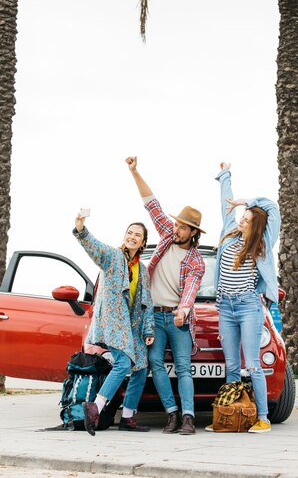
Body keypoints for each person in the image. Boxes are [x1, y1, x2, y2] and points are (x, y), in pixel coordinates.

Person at [126, 156, 206, 435]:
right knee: (155, 364)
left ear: (193, 232)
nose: (176, 229)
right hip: (153, 316)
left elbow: (191, 292)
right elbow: (152, 204)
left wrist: (183, 311)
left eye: (183, 227)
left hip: (177, 318)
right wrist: (135, 172)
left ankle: (187, 417)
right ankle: (171, 413)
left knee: (184, 367)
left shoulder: (197, 261)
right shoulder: (165, 236)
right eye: (176, 225)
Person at [208, 162, 280, 434]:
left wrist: (247, 201)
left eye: (247, 219)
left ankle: (263, 418)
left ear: (256, 224)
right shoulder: (229, 234)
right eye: (242, 216)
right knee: (232, 367)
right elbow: (224, 205)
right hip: (226, 306)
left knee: (253, 364)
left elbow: (272, 206)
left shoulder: (262, 244)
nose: (241, 220)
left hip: (249, 306)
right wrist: (225, 177)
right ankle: (230, 416)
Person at [73, 213, 154, 436]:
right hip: (113, 321)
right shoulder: (113, 256)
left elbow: (146, 301)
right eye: (130, 233)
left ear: (143, 242)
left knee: (141, 366)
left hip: (132, 326)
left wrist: (148, 329)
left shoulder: (143, 270)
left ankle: (128, 416)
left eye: (137, 235)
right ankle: (96, 407)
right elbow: (94, 247)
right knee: (124, 363)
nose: (132, 237)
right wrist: (81, 229)